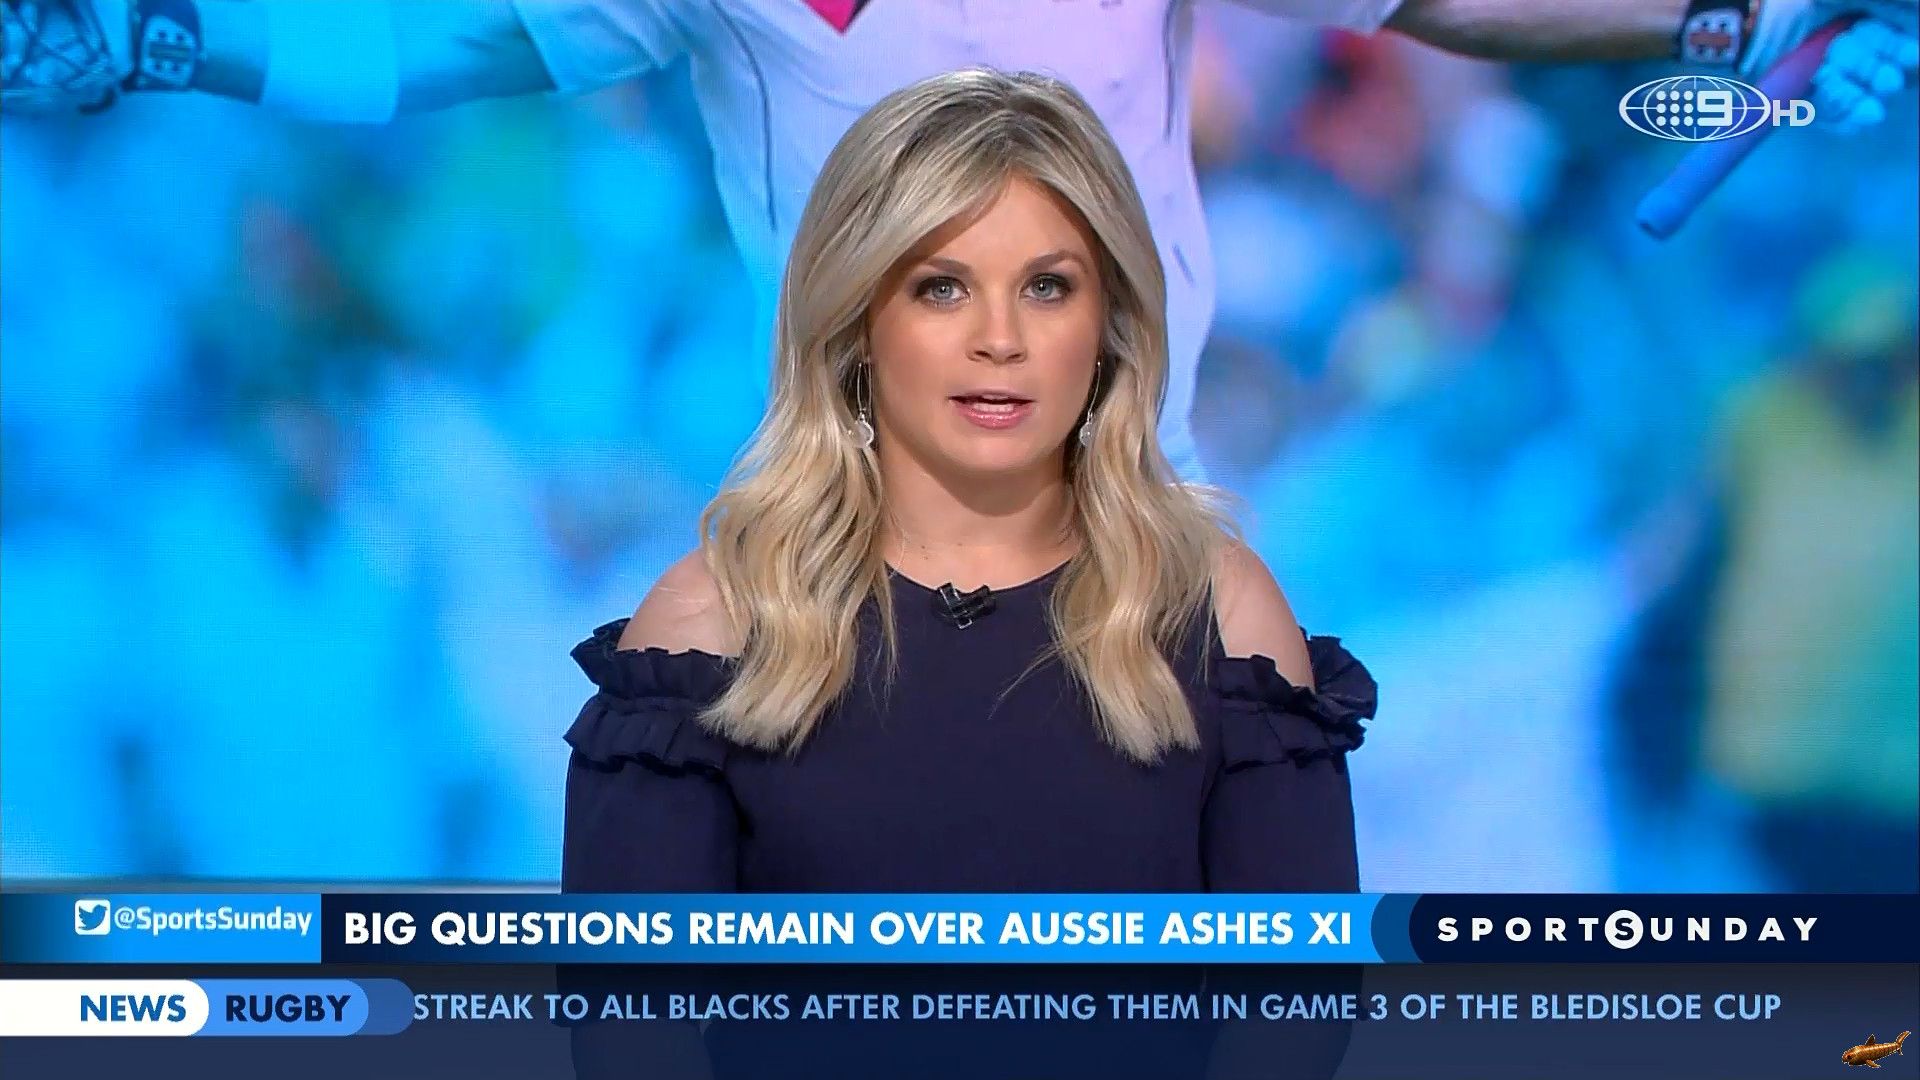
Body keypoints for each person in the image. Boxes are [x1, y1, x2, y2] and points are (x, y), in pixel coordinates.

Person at [4, 0, 1916, 482]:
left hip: (1143, 546)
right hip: (847, 562)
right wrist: (172, 36)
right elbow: (456, 40)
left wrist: (1735, 18)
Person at [557, 67, 1376, 1079]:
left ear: (1109, 325)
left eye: (1048, 287)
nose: (1000, 340)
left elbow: (1293, 1021)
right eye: (940, 287)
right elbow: (632, 1039)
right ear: (855, 319)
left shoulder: (1223, 616)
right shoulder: (708, 629)